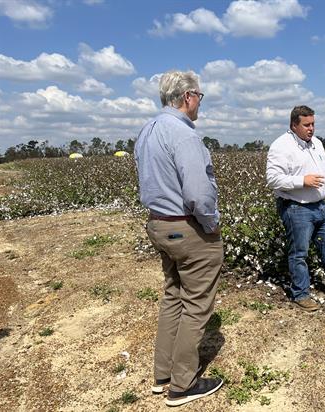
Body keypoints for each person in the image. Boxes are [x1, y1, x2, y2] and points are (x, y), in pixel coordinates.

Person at [134, 70, 223, 407]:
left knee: (173, 296)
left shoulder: (147, 131)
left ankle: (163, 376)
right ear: (188, 97)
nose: (200, 102)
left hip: (159, 225)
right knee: (197, 305)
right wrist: (211, 224)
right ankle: (183, 386)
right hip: (188, 228)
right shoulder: (184, 135)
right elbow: (198, 195)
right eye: (200, 95)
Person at [266, 105, 325, 312]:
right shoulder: (281, 146)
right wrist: (303, 181)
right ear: (294, 125)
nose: (311, 128)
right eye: (306, 125)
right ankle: (300, 294)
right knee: (299, 253)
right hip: (296, 208)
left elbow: (323, 165)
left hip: (320, 206)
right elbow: (273, 179)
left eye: (313, 124)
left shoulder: (316, 143)